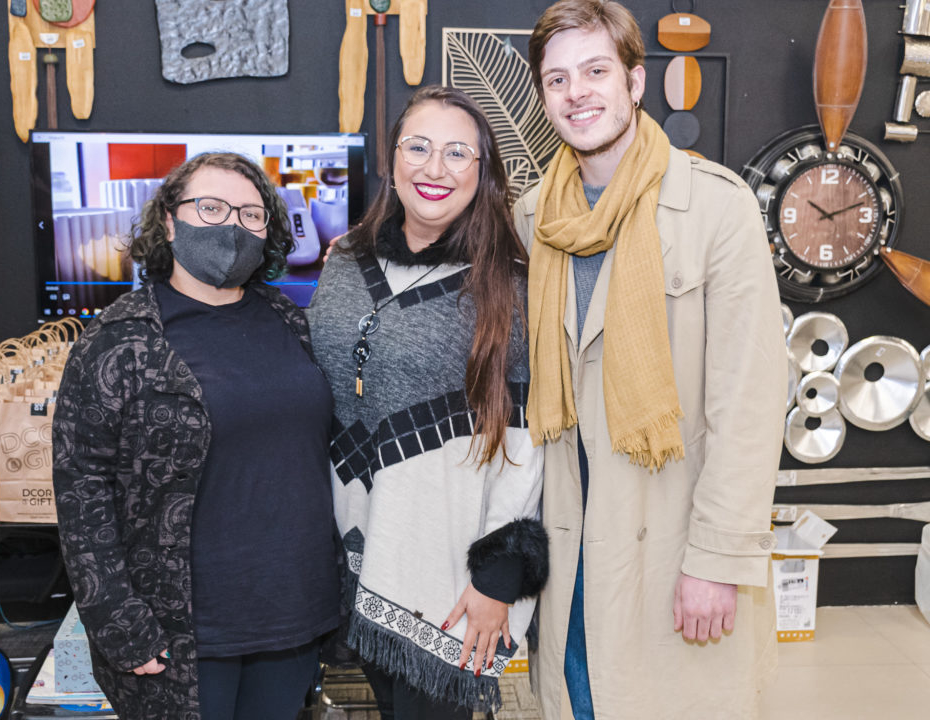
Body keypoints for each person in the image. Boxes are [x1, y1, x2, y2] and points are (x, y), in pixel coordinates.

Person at [512, 2, 787, 718]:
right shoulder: (533, 216)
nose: (578, 93)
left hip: (669, 542)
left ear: (636, 82)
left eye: (596, 70)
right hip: (569, 550)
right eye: (558, 79)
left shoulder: (716, 209)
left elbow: (749, 403)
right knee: (577, 700)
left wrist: (717, 561)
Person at [53, 152, 340, 720]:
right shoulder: (116, 341)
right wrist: (116, 618)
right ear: (168, 221)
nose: (231, 225)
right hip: (182, 629)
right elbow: (81, 488)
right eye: (209, 208)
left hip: (292, 612)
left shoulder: (289, 320)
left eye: (251, 215)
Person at [308, 85, 549, 719]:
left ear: (483, 170)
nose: (434, 169)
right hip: (351, 545)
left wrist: (497, 578)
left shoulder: (508, 283)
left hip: (443, 565)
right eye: (418, 147)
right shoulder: (345, 262)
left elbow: (524, 441)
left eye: (456, 153)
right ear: (391, 159)